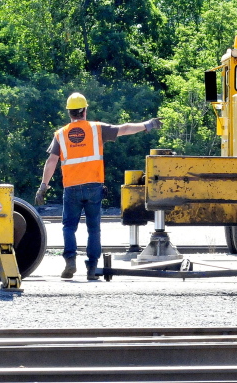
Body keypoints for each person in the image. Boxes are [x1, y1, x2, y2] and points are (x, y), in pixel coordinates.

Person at [35, 93, 161, 280]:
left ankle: (70, 260)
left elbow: (51, 161)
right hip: (94, 186)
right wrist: (147, 125)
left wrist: (43, 186)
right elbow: (124, 129)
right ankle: (92, 268)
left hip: (72, 188)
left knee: (69, 227)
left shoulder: (60, 134)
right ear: (85, 110)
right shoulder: (96, 129)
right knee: (94, 229)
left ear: (69, 112)